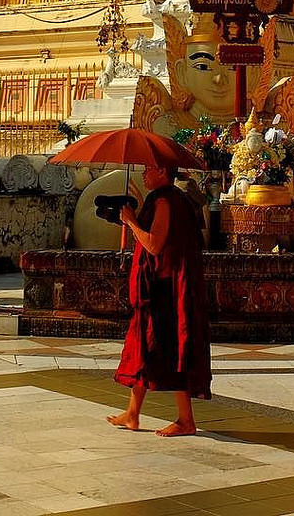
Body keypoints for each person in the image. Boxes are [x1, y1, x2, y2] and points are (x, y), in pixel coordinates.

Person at [108, 165, 211, 436]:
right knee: (144, 348)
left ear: (163, 172)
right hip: (157, 285)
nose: (143, 174)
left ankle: (186, 420)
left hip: (166, 289)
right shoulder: (163, 198)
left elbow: (154, 244)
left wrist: (131, 222)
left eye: (149, 169)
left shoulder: (166, 200)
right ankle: (132, 413)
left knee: (170, 349)